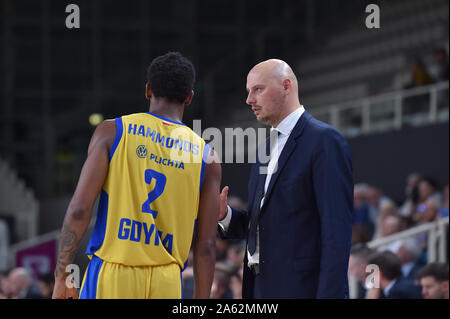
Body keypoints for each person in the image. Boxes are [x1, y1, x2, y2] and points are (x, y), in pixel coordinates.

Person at [52, 52, 221, 299]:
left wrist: (61, 274)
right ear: (189, 97)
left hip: (113, 273)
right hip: (167, 281)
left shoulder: (112, 132)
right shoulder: (208, 157)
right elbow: (206, 245)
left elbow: (79, 209)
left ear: (148, 90)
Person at [218, 59, 354, 298]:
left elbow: (337, 232)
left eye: (258, 89)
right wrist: (226, 216)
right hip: (259, 288)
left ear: (286, 86)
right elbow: (263, 225)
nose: (249, 100)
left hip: (302, 289)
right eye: (248, 91)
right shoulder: (264, 149)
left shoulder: (324, 141)